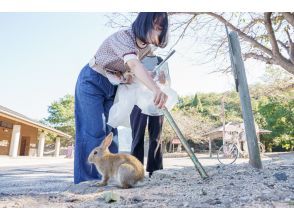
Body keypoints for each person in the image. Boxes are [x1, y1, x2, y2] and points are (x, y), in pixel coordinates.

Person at [74, 12, 169, 184]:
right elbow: (134, 64)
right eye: (154, 26)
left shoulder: (146, 48)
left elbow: (132, 70)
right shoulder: (124, 37)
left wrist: (142, 77)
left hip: (114, 86)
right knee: (92, 130)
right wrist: (155, 89)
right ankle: (87, 181)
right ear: (144, 22)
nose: (157, 32)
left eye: (160, 28)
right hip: (92, 80)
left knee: (111, 133)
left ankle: (110, 178)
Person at [130, 51, 169, 178]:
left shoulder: (160, 59)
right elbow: (128, 78)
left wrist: (163, 80)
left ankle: (156, 170)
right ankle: (136, 171)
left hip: (156, 102)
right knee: (137, 136)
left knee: (156, 137)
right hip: (137, 102)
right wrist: (144, 77)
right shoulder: (135, 59)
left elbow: (167, 82)